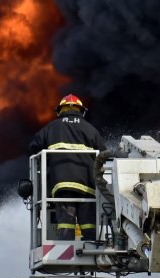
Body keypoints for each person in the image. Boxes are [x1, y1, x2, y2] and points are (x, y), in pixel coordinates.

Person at [29, 94, 107, 240]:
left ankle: (66, 249)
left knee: (66, 224)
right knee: (89, 225)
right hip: (87, 187)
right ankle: (92, 247)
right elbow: (104, 154)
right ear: (81, 110)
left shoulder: (51, 128)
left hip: (62, 185)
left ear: (60, 111)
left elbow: (33, 146)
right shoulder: (90, 129)